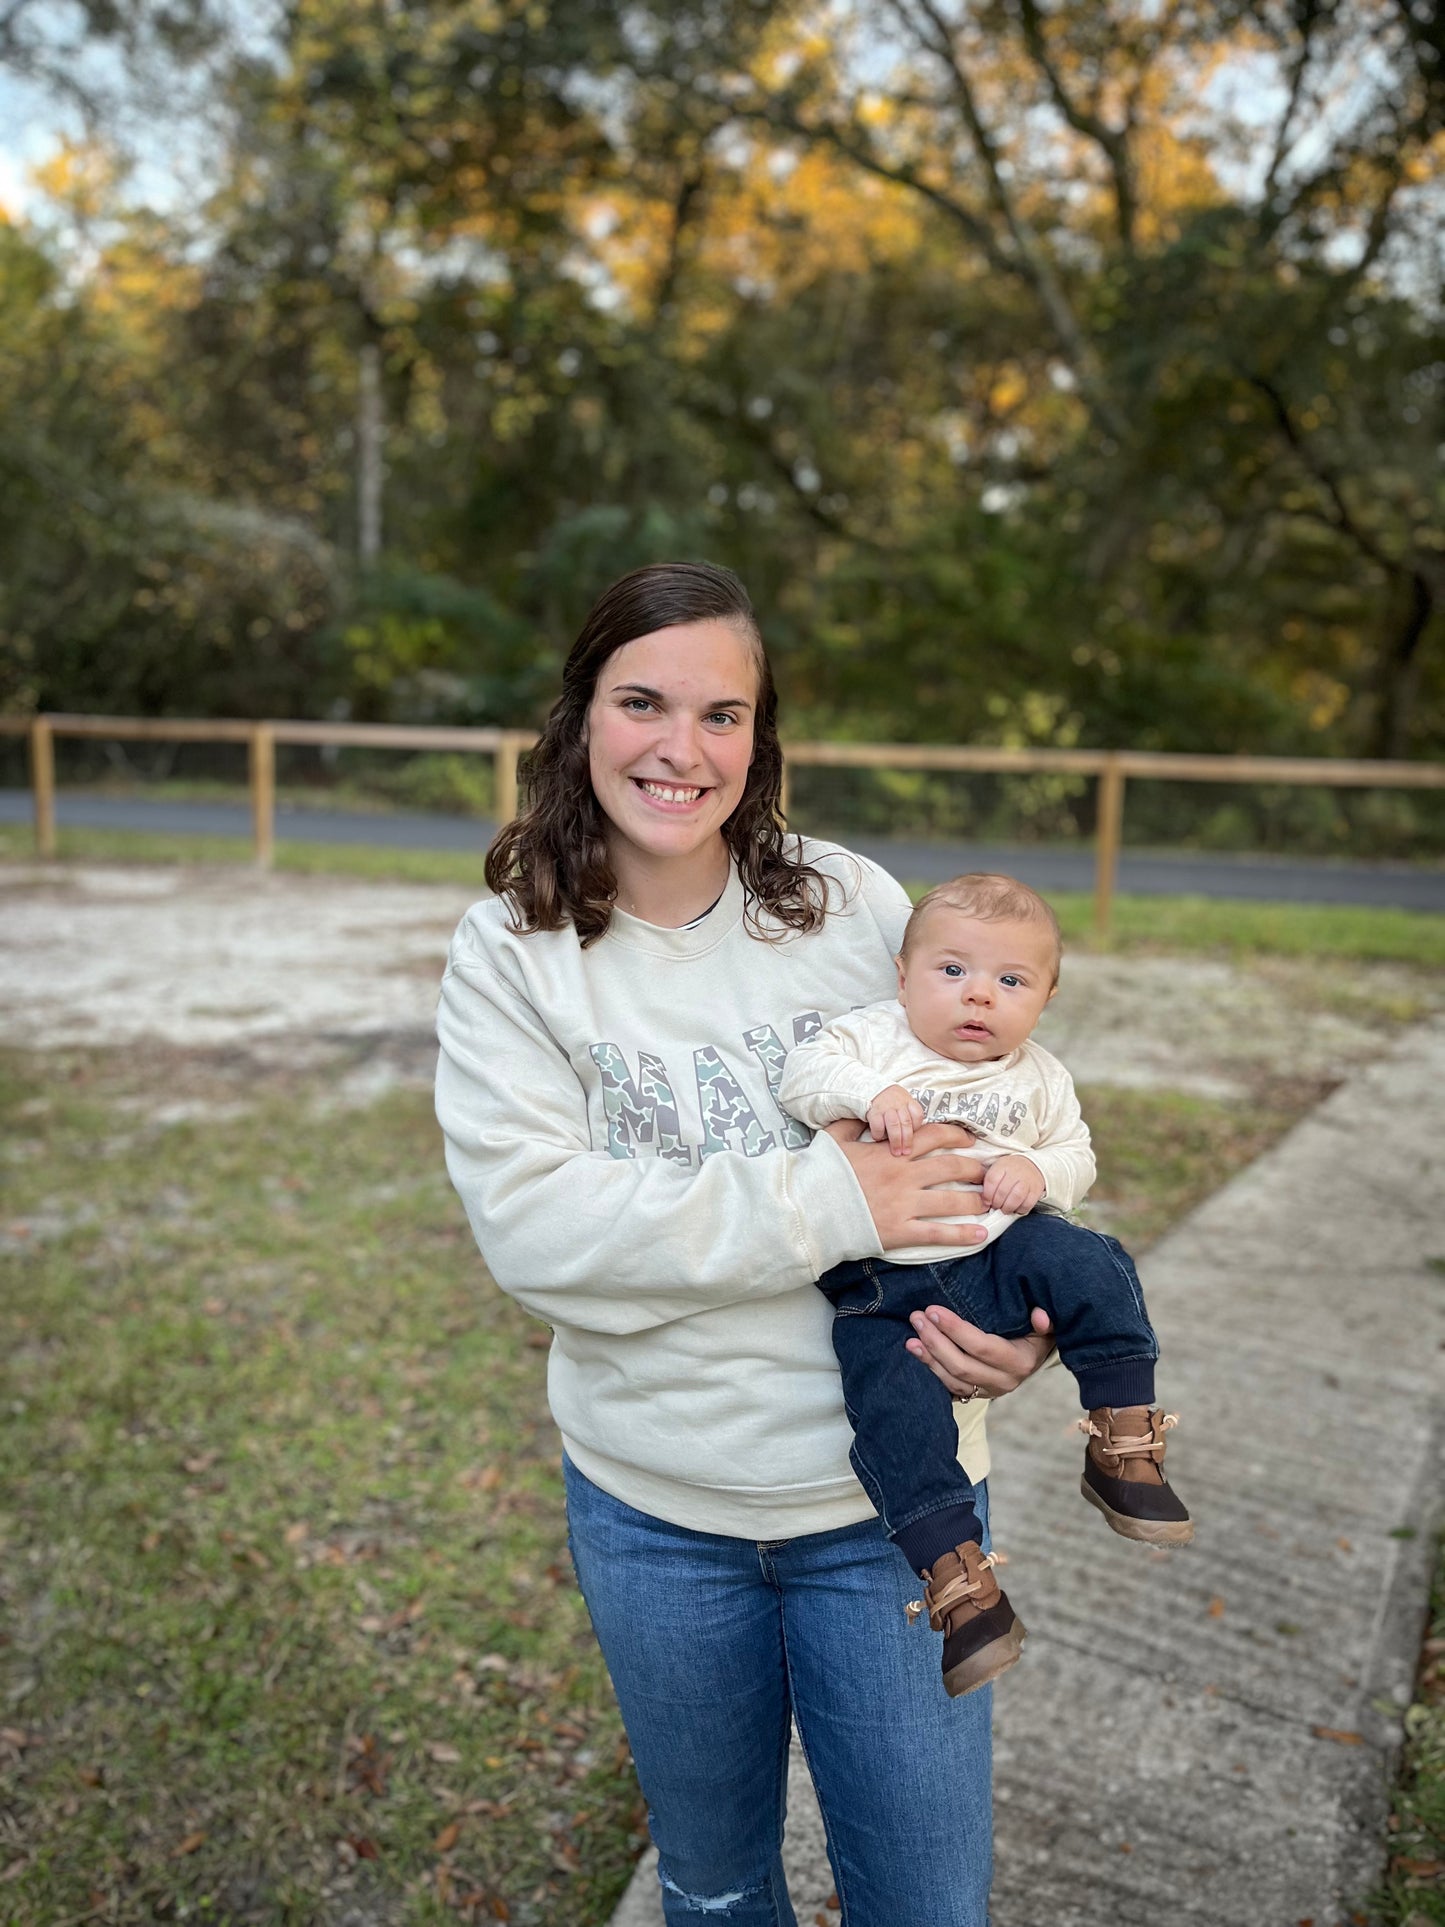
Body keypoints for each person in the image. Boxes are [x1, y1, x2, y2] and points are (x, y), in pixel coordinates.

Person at [435, 561, 1055, 1927]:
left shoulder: (851, 905)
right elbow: (539, 1231)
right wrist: (833, 1203)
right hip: (658, 1516)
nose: (680, 747)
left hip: (894, 1515)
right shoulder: (513, 952)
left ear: (758, 739)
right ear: (582, 715)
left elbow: (990, 1117)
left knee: (927, 1902)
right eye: (642, 701)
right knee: (714, 1891)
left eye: (723, 714)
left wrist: (1016, 1316)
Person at [777, 872, 1192, 1700]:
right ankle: (961, 1587)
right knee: (893, 1411)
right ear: (902, 976)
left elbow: (1076, 1158)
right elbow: (802, 1076)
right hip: (878, 1286)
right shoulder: (870, 1039)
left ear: (1045, 997)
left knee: (1087, 1258)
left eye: (1010, 981)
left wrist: (1033, 1166)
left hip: (996, 1261)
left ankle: (1123, 1435)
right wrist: (870, 1093)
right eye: (951, 971)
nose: (978, 997)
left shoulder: (1039, 1078)